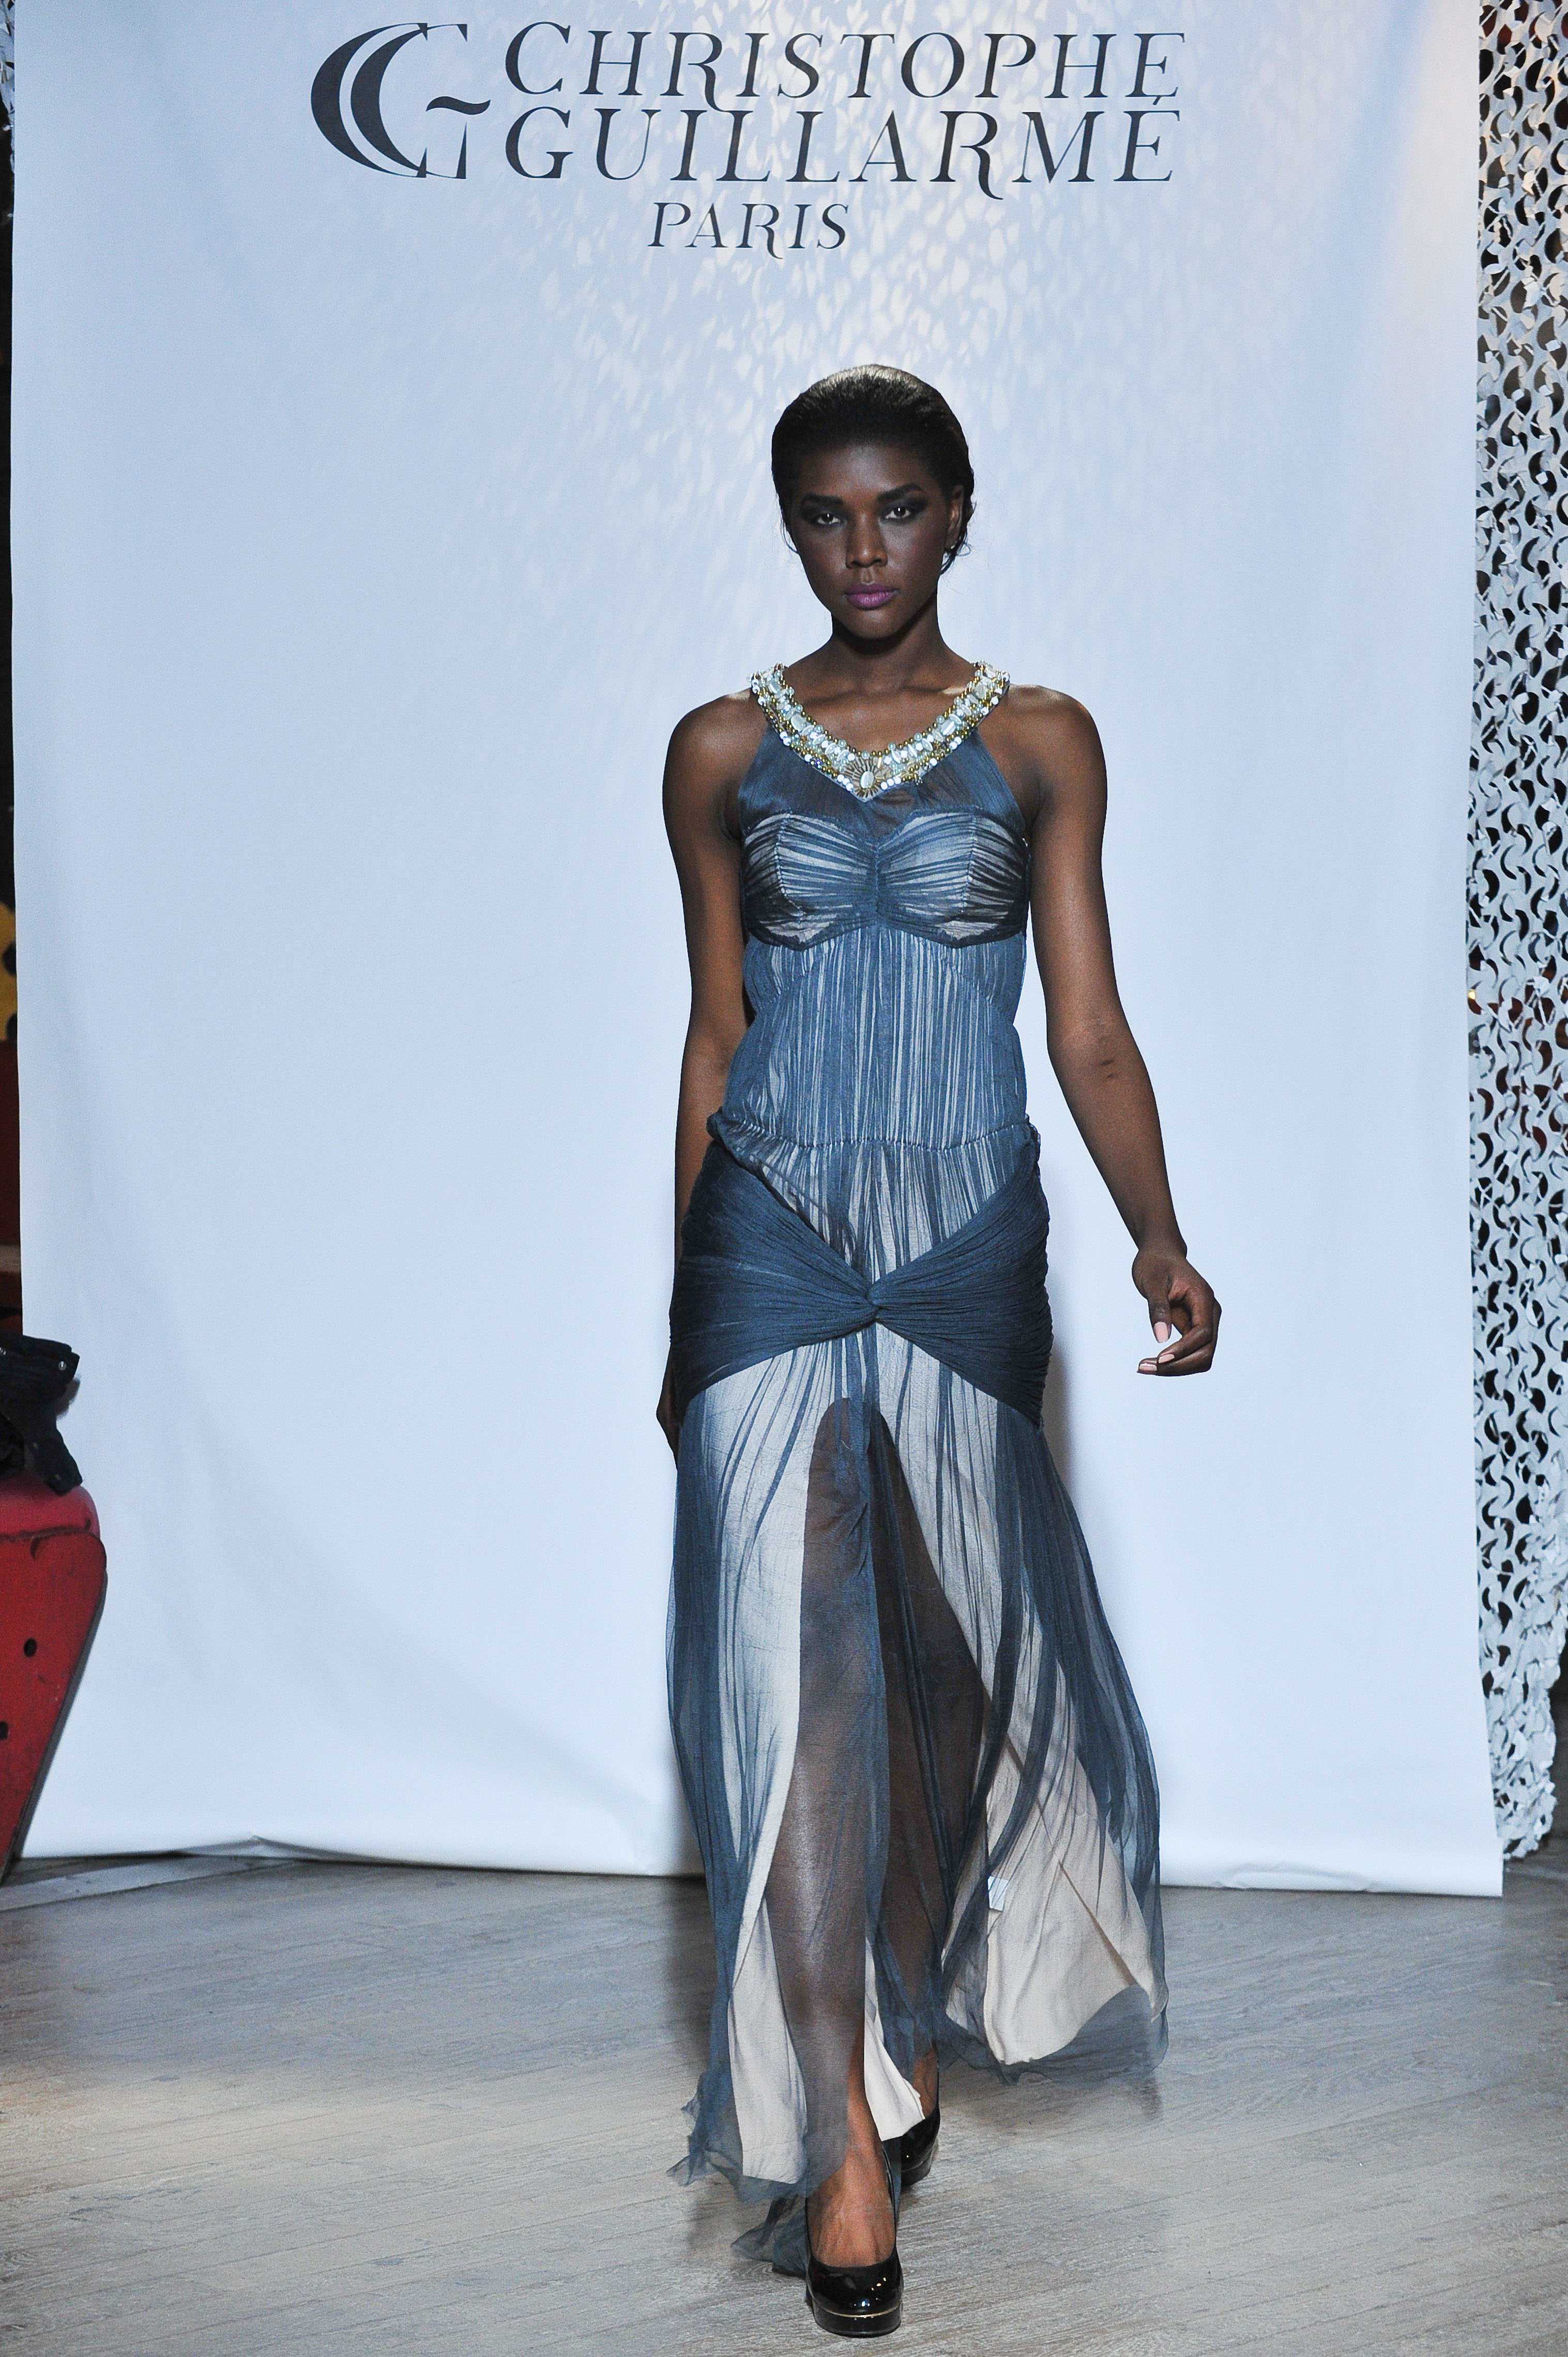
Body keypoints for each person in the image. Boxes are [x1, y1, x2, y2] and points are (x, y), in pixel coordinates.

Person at [658, 365, 1219, 2339]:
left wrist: (1158, 1236)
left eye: (896, 508)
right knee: (803, 1679)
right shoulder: (721, 748)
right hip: (771, 1234)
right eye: (825, 515)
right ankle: (836, 2149)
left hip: (968, 1231)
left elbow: (1087, 1027)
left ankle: (893, 2031)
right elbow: (714, 1036)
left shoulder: (1040, 739)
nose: (862, 548)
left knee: (947, 1683)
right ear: (791, 528)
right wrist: (684, 1305)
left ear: (957, 513)